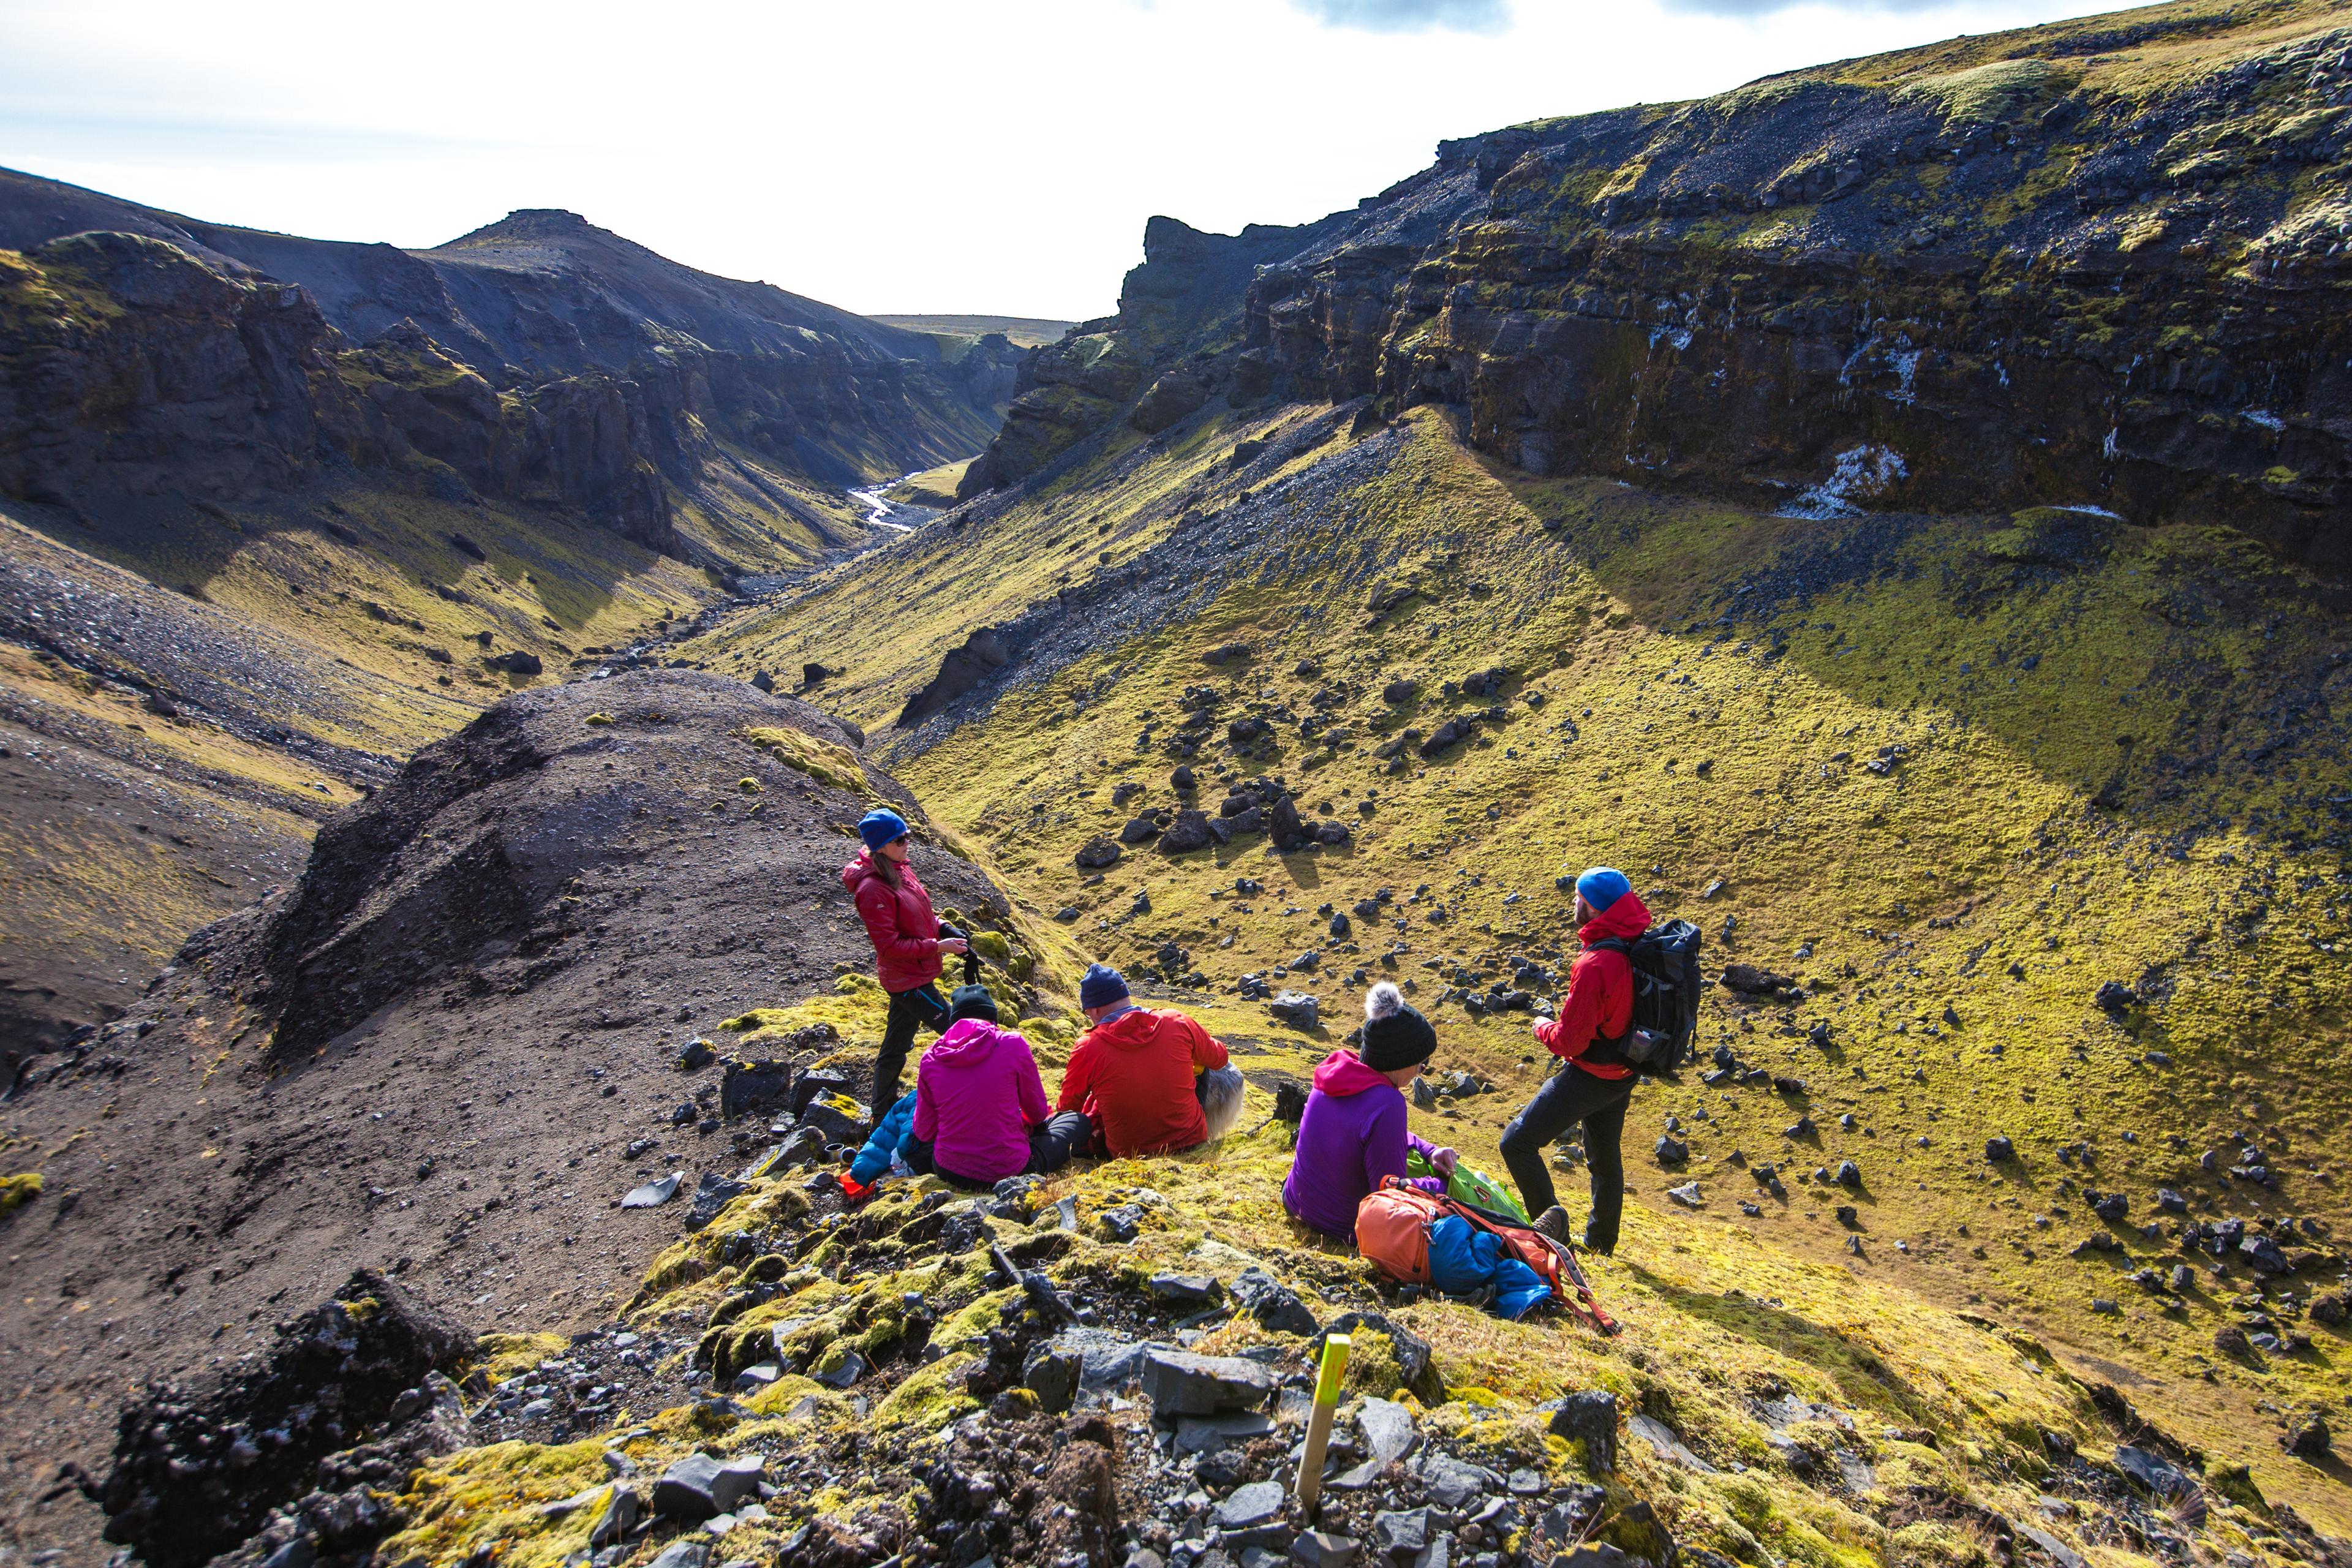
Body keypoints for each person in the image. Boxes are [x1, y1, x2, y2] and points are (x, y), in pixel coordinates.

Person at [1498, 866, 1649, 1254]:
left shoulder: (1596, 964)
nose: (1573, 901)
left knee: (1517, 1142)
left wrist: (1542, 1027)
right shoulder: (1635, 940)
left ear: (1594, 907)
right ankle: (1601, 1244)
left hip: (1592, 1074)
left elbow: (1571, 1041)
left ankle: (1551, 1236)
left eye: (1579, 897)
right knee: (1603, 1155)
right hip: (1624, 1069)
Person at [1283, 982, 1457, 1240]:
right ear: (1399, 1060)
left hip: (1295, 1202)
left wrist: (1428, 1150)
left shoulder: (1334, 1076)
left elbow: (1360, 1131)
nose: (1422, 1070)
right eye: (1422, 1063)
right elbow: (1389, 1193)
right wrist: (1443, 1186)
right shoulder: (1388, 1104)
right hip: (1341, 1228)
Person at [842, 807, 970, 1125]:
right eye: (900, 839)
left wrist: (943, 927)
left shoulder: (898, 868)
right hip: (908, 980)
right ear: (880, 846)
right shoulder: (873, 890)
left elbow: (919, 916)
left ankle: (881, 1111)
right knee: (959, 1032)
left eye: (907, 836)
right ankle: (973, 1095)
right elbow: (889, 946)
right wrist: (938, 947)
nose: (906, 842)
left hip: (912, 974)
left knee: (896, 1044)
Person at [911, 984, 1091, 1188]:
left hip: (949, 1170)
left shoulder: (931, 1057)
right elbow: (1038, 1114)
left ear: (953, 1024)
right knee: (1078, 1121)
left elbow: (924, 1131)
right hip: (1010, 1170)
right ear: (992, 1019)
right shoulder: (1012, 1044)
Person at [1055, 964, 1241, 1157]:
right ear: (1125, 997)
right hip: (1189, 1141)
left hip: (1127, 1154)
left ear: (1093, 1011)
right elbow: (1220, 1059)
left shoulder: (1088, 1047)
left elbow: (1068, 1108)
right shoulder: (1177, 1021)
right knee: (1202, 1067)